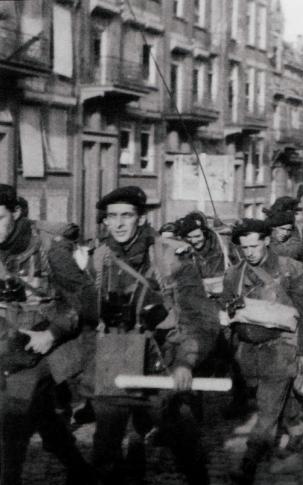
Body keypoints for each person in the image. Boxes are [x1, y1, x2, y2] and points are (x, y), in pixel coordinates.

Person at [87, 186, 215, 485]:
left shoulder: (170, 258)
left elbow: (201, 320)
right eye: (111, 217)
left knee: (186, 447)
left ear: (141, 219)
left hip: (162, 362)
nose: (118, 224)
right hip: (115, 360)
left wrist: (185, 361)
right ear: (104, 221)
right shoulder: (99, 258)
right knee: (104, 451)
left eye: (126, 216)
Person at [0, 184, 95, 485]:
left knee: (10, 421)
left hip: (49, 345)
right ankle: (81, 472)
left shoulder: (51, 247)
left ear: (16, 212)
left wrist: (52, 334)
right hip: (11, 344)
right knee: (42, 415)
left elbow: (84, 302)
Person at [221, 219, 303, 483]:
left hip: (281, 347)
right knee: (276, 399)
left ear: (267, 240)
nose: (250, 252)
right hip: (247, 352)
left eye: (254, 245)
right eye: (244, 247)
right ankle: (297, 429)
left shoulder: (291, 270)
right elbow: (225, 312)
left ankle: (249, 464)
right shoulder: (234, 274)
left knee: (267, 409)